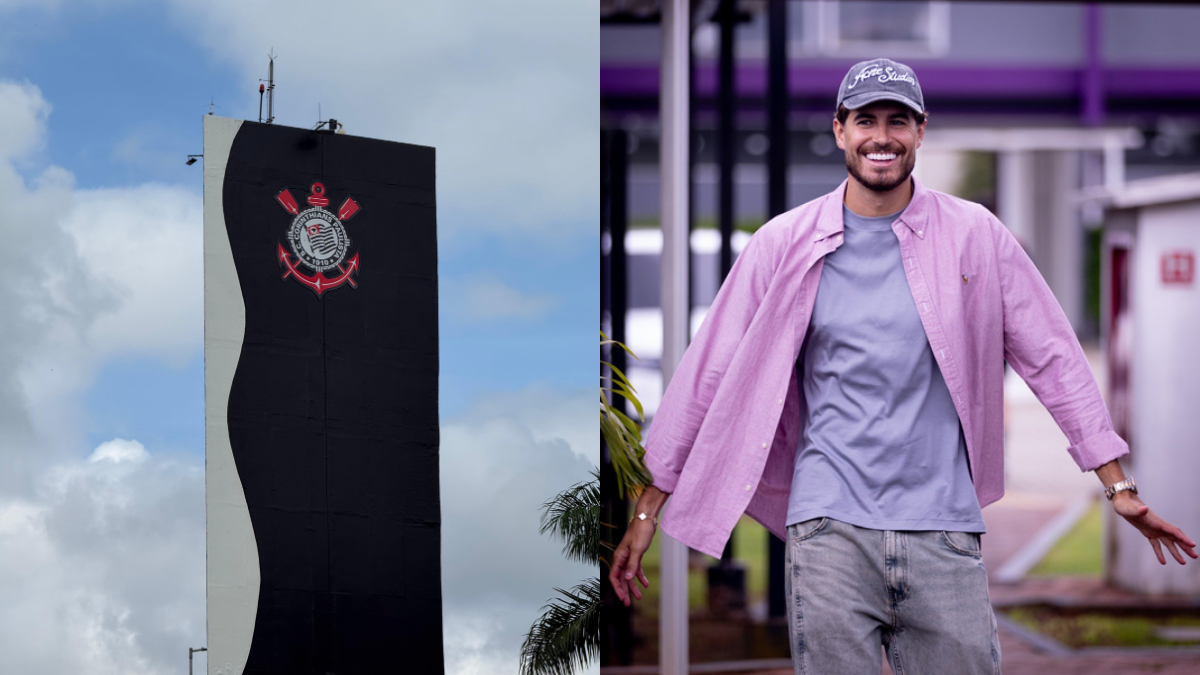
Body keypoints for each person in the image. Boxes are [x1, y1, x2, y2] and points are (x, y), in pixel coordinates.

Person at [608, 58, 1197, 674]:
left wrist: (1118, 486)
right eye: (866, 120)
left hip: (942, 529)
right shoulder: (782, 244)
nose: (881, 136)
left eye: (898, 120)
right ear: (840, 130)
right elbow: (707, 373)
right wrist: (648, 510)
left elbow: (1054, 358)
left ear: (920, 132)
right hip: (827, 530)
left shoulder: (976, 236)